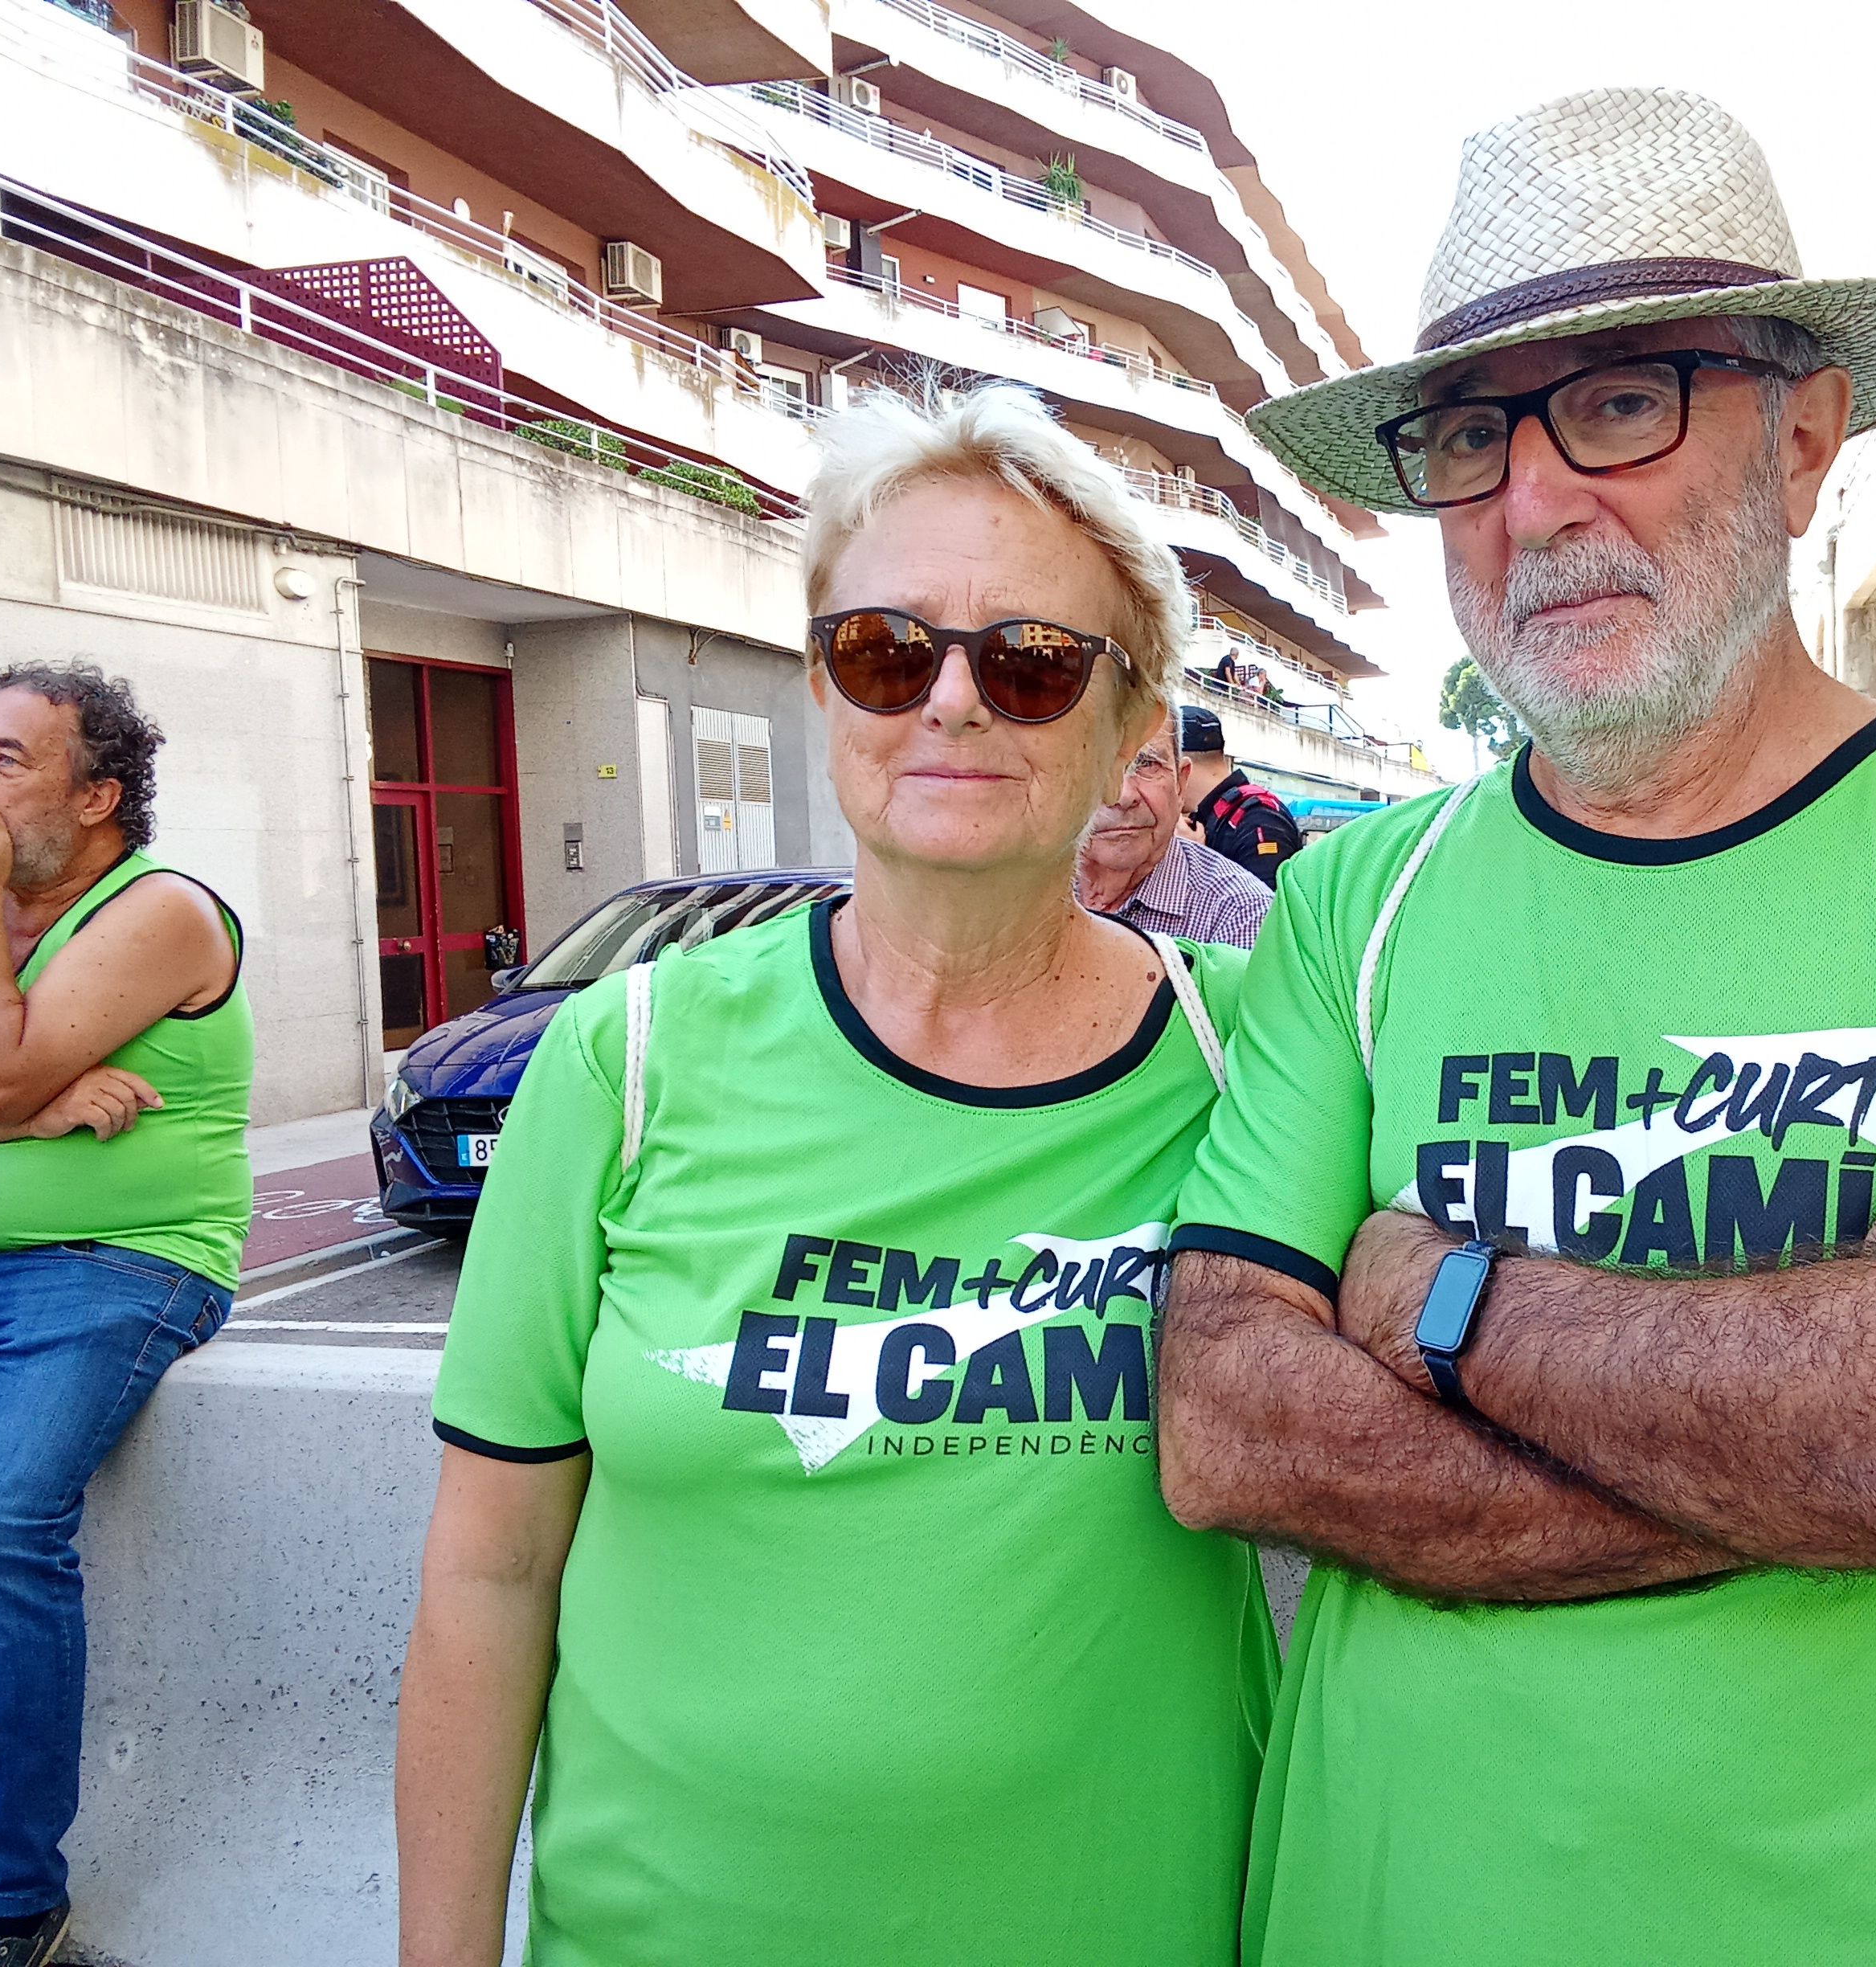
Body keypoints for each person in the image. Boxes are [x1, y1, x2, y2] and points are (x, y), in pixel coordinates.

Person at [1159, 88, 1876, 1966]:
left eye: (1626, 398)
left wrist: (1444, 1300)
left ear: (1803, 436)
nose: (1537, 499)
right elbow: (1233, 1426)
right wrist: (1841, 1367)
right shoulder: (1355, 896)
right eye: (1472, 434)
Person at [394, 385, 1277, 1967]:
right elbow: (486, 1572)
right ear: (823, 691)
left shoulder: (1245, 1061)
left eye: (1030, 661)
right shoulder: (626, 1063)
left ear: (1138, 731)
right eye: (886, 649)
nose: (951, 703)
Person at [0, 665, 251, 1967]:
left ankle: (12, 1893)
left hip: (114, 1266)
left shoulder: (159, 911)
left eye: (8, 758)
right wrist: (26, 1108)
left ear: (99, 794)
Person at [1077, 710, 1272, 949]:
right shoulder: (1023, 890)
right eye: (1095, 764)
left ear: (1181, 784)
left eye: (1146, 764)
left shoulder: (1242, 918)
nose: (1123, 795)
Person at [1177, 705, 1302, 886]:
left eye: (1154, 766)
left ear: (1182, 767)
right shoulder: (1207, 819)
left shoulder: (1258, 818)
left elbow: (1266, 909)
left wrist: (1197, 859)